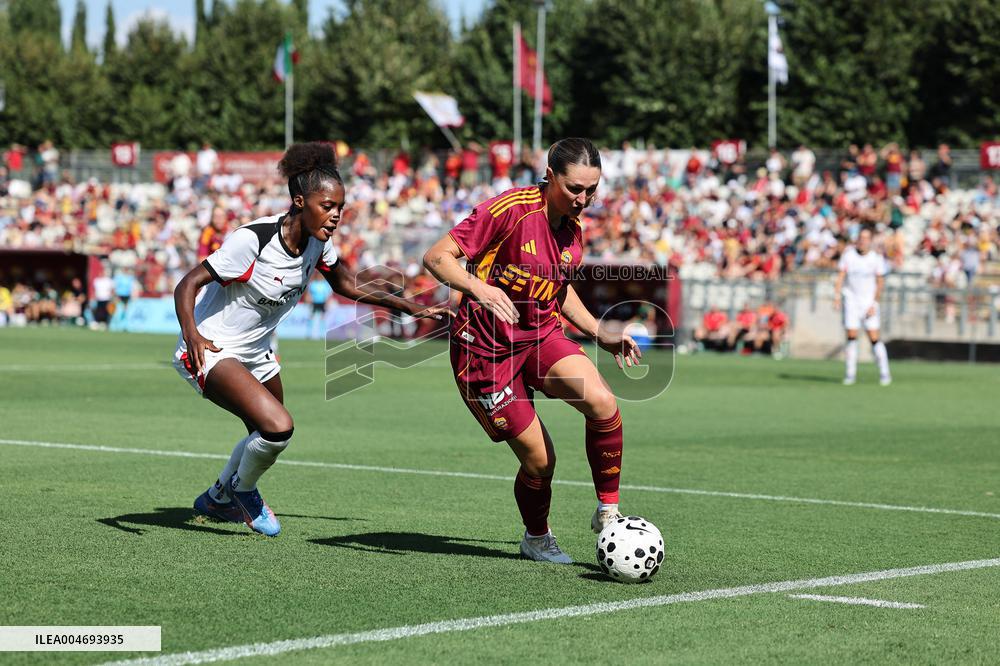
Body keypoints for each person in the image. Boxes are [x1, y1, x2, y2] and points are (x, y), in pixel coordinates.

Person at [172, 142, 451, 537]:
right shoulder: (254, 240)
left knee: (265, 432)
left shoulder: (319, 242)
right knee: (277, 427)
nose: (336, 216)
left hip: (256, 352)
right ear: (299, 201)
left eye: (340, 207)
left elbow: (348, 283)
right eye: (327, 206)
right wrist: (193, 334)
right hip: (210, 347)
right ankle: (243, 492)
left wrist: (406, 305)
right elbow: (188, 284)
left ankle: (217, 497)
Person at [423, 138, 641, 564]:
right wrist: (478, 288)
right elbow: (437, 257)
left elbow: (557, 291)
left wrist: (600, 332)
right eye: (575, 188)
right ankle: (537, 537)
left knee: (602, 402)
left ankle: (609, 514)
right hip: (484, 350)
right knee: (542, 461)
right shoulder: (509, 210)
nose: (584, 199)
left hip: (539, 336)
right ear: (550, 176)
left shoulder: (572, 230)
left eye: (592, 190)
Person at [834, 227, 891, 386]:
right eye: (860, 238)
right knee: (851, 337)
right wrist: (837, 296)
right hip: (852, 301)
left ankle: (884, 372)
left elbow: (880, 283)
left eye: (866, 238)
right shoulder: (849, 255)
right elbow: (840, 276)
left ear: (870, 241)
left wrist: (874, 303)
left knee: (874, 338)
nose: (862, 241)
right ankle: (850, 373)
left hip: (868, 302)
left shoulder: (876, 258)